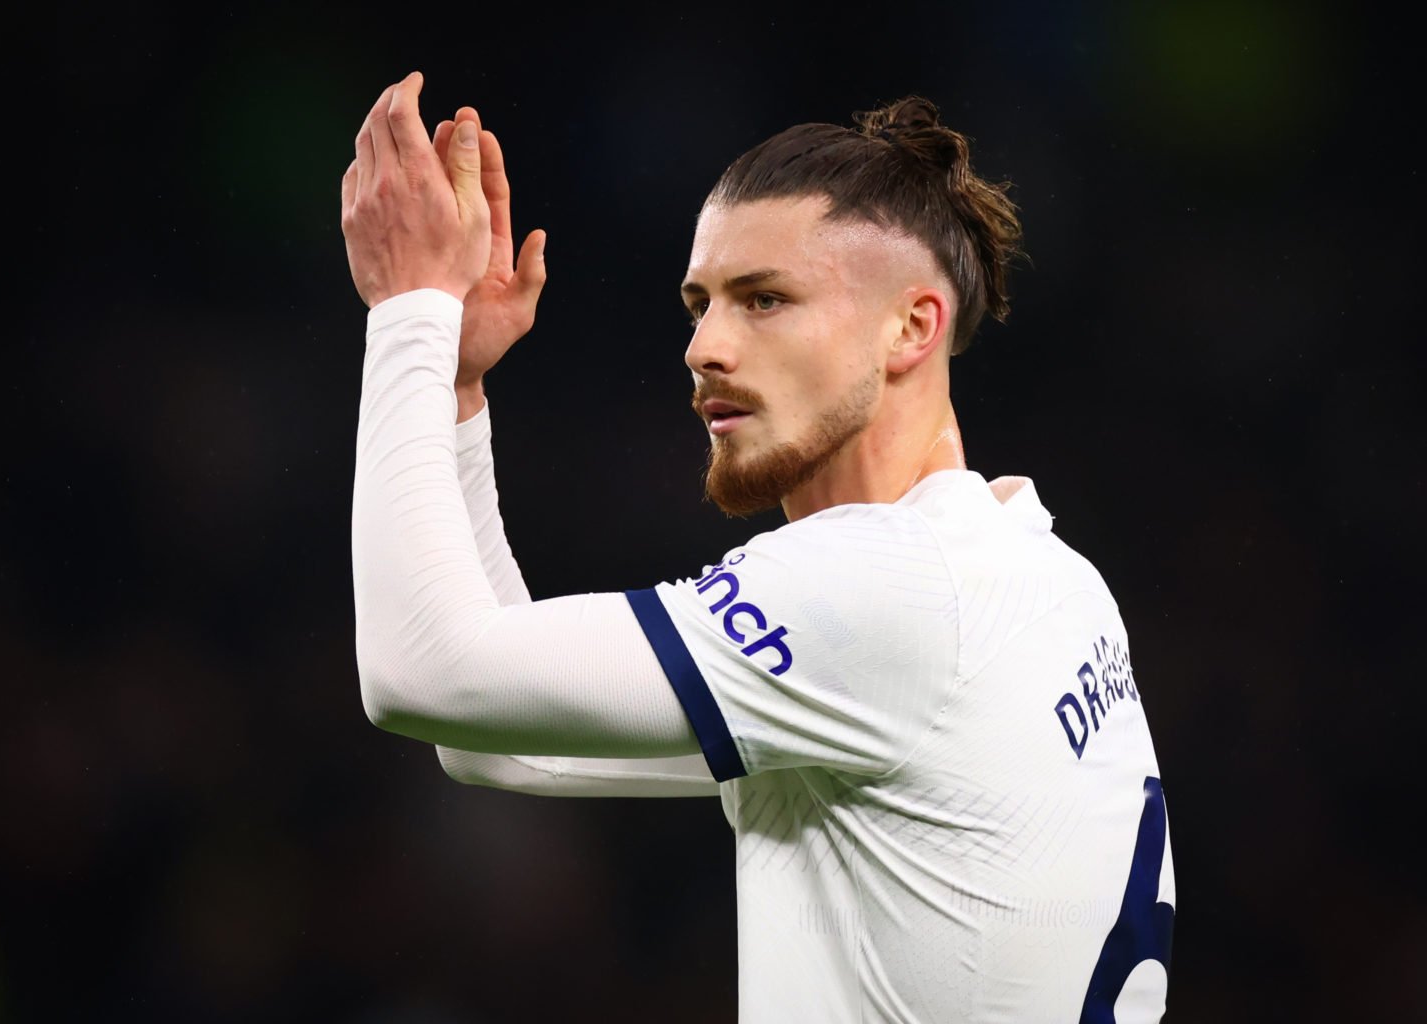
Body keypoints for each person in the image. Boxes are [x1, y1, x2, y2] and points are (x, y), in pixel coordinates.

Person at [342, 70, 1175, 1023]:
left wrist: (406, 313)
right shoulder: (1038, 569)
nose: (704, 346)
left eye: (765, 299)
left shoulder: (886, 588)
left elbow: (421, 677)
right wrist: (452, 391)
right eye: (701, 303)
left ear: (912, 325)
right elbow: (493, 738)